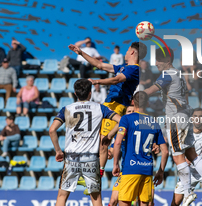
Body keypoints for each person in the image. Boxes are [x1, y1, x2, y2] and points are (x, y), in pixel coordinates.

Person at [144, 47, 202, 206]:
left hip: (176, 119)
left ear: (167, 61)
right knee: (192, 154)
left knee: (178, 156)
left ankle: (188, 192)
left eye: (159, 60)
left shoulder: (167, 74)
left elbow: (151, 90)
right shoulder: (179, 74)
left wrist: (137, 96)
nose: (156, 63)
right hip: (185, 116)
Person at [68, 41, 147, 179]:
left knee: (103, 140)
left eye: (128, 50)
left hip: (117, 104)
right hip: (109, 104)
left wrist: (97, 81)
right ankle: (93, 172)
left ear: (133, 52)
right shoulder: (124, 67)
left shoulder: (134, 69)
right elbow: (100, 65)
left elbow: (117, 80)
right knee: (97, 140)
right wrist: (81, 53)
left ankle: (96, 176)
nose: (126, 52)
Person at [49, 79, 121, 206]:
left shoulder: (67, 109)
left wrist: (58, 151)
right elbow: (121, 121)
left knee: (62, 196)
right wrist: (109, 135)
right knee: (96, 197)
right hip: (91, 159)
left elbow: (52, 130)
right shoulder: (100, 108)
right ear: (90, 93)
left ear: (75, 93)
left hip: (71, 158)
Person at [112, 91, 168, 206]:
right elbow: (165, 151)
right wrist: (161, 172)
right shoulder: (154, 122)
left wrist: (115, 164)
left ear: (132, 102)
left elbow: (117, 143)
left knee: (124, 203)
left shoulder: (126, 119)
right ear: (147, 104)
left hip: (130, 169)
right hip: (147, 169)